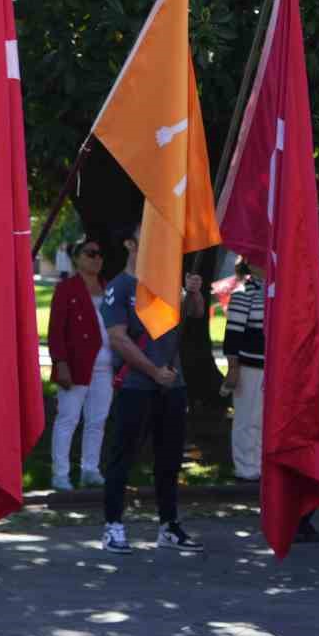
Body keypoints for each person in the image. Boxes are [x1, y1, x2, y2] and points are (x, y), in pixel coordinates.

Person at [100, 226, 206, 555]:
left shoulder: (165, 285)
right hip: (136, 385)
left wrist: (194, 292)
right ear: (130, 243)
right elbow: (118, 337)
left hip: (173, 385)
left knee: (170, 457)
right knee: (123, 455)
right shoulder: (120, 287)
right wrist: (152, 371)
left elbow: (196, 313)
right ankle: (113, 525)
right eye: (146, 237)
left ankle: (168, 525)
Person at [46, 237, 113, 491]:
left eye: (99, 254)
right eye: (90, 253)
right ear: (77, 257)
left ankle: (90, 469)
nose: (96, 258)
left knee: (97, 419)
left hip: (106, 367)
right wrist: (60, 362)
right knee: (68, 419)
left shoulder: (108, 287)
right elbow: (56, 331)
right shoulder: (67, 289)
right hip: (75, 365)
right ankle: (60, 474)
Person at [222, 263, 265, 482]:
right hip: (248, 365)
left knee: (262, 419)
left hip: (271, 366)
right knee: (246, 419)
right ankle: (245, 469)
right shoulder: (244, 289)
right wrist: (233, 367)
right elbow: (233, 331)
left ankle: (258, 465)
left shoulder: (276, 288)